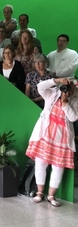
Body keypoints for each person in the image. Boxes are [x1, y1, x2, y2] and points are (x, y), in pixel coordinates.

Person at [26, 78, 78, 207]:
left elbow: (73, 117)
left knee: (58, 168)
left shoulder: (75, 100)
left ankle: (51, 196)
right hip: (45, 134)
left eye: (70, 88)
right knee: (41, 164)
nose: (67, 90)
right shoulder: (52, 93)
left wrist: (65, 103)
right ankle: (39, 193)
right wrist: (56, 80)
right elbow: (40, 87)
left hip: (63, 139)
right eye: (66, 86)